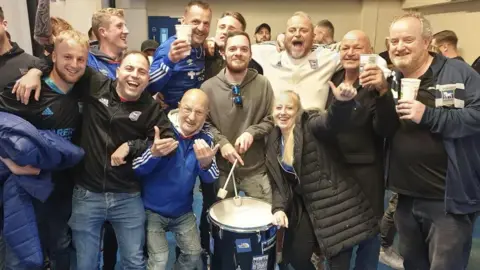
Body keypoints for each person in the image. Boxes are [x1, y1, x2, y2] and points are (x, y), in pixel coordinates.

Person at [15, 50, 175, 270]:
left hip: (127, 194)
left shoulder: (150, 107)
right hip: (87, 193)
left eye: (142, 71)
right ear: (117, 71)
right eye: (129, 68)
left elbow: (167, 139)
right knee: (86, 263)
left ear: (148, 79)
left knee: (134, 262)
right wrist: (34, 71)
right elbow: (66, 62)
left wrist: (132, 146)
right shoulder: (96, 84)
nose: (135, 75)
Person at [383, 12, 480, 270]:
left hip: (447, 202)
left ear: (427, 42)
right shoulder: (392, 80)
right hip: (405, 199)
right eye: (394, 41)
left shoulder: (458, 73)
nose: (399, 46)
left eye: (407, 39)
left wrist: (428, 115)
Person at [267, 88, 378, 270]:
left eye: (289, 108)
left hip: (335, 206)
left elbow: (331, 121)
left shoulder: (310, 125)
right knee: (296, 256)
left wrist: (341, 103)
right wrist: (278, 208)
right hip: (305, 206)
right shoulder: (273, 139)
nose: (283, 112)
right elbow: (278, 182)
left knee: (338, 264)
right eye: (278, 107)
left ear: (298, 111)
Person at [326, 29, 396, 269]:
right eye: (345, 47)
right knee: (337, 244)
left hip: (366, 174)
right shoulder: (333, 79)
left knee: (367, 241)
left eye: (357, 47)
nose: (350, 52)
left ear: (370, 53)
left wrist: (383, 92)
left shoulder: (377, 83)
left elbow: (386, 129)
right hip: (334, 173)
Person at [134, 89, 219, 270]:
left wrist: (206, 164)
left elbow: (212, 178)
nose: (191, 117)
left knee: (194, 254)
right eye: (187, 109)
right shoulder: (160, 129)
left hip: (182, 212)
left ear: (206, 115)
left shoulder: (206, 138)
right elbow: (136, 169)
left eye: (199, 112)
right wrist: (153, 154)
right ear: (179, 107)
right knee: (159, 259)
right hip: (152, 210)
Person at [201, 31, 274, 202]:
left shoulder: (263, 84)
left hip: (255, 169)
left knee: (266, 219)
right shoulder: (208, 88)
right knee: (220, 220)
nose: (238, 53)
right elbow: (204, 125)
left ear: (250, 54)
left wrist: (252, 132)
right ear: (223, 52)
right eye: (232, 48)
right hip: (222, 171)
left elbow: (271, 119)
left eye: (243, 49)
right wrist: (222, 142)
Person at [252, 12, 341, 110]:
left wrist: (347, 44)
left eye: (304, 30)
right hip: (277, 122)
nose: (297, 34)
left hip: (312, 123)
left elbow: (358, 54)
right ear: (285, 35)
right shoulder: (269, 53)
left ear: (313, 36)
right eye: (292, 30)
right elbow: (236, 46)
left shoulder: (326, 56)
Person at [147, 0, 211, 111]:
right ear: (183, 22)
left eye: (206, 23)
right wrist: (169, 60)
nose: (201, 28)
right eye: (196, 22)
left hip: (194, 114)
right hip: (170, 117)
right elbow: (148, 85)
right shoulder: (168, 49)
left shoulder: (201, 47)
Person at [205, 11, 263, 79]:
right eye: (222, 27)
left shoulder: (253, 68)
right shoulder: (201, 54)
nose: (225, 32)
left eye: (231, 29)